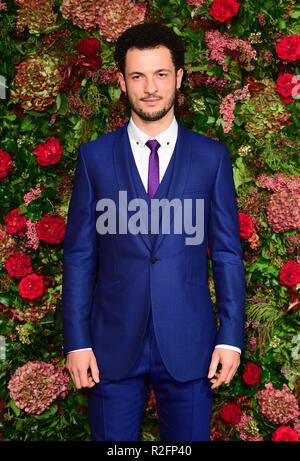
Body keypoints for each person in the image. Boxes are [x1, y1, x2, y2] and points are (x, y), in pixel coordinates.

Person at [62, 22, 246, 441]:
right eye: (138, 75)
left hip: (191, 343)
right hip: (109, 346)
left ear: (179, 78)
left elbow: (227, 254)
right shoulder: (93, 158)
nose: (150, 87)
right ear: (122, 81)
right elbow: (78, 256)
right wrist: (76, 341)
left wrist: (230, 338)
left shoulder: (210, 157)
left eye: (161, 74)